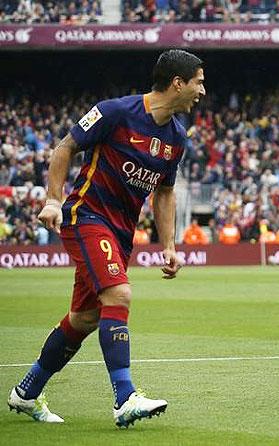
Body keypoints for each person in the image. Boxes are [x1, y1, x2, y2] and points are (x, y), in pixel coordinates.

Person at [7, 49, 206, 426]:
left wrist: (169, 245)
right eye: (198, 81)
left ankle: (26, 392)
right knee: (119, 294)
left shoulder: (177, 138)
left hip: (121, 232)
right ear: (177, 83)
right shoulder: (115, 112)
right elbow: (65, 147)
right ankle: (124, 397)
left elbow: (164, 191)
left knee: (83, 318)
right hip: (86, 215)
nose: (202, 90)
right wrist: (53, 200)